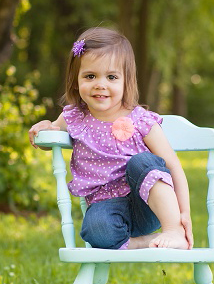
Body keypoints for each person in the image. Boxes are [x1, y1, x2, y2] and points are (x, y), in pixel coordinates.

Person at [28, 26, 193, 251]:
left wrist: (183, 216)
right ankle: (140, 243)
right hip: (106, 208)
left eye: (112, 76)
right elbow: (51, 136)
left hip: (148, 205)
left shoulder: (141, 120)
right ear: (76, 80)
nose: (100, 84)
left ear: (127, 81)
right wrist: (45, 127)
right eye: (90, 76)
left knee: (142, 162)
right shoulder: (74, 116)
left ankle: (173, 232)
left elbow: (173, 166)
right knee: (94, 230)